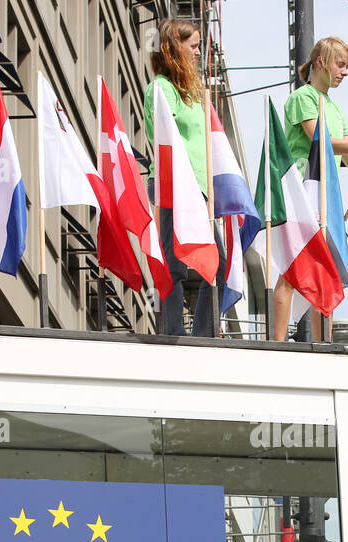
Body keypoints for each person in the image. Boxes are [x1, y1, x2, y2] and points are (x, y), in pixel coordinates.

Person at [272, 37, 348, 341]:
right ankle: (276, 346)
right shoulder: (303, 98)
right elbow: (321, 141)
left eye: (346, 67)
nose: (345, 72)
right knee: (292, 269)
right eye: (341, 65)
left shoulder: (335, 108)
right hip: (302, 190)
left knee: (323, 271)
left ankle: (323, 344)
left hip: (326, 195)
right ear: (322, 62)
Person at [143, 19, 225, 337]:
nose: (198, 52)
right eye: (192, 45)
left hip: (201, 188)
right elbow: (166, 135)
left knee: (219, 258)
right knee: (173, 260)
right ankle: (172, 333)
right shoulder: (162, 87)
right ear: (174, 47)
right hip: (174, 183)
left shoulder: (194, 92)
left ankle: (201, 333)